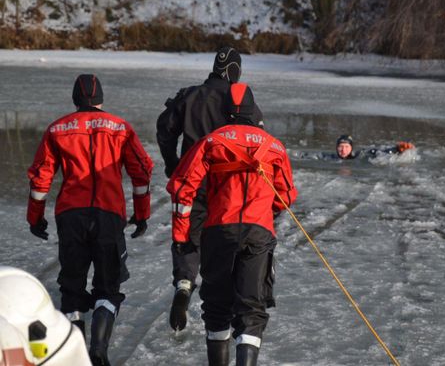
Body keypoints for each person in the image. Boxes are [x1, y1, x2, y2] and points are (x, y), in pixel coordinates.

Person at [26, 74, 153, 366]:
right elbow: (141, 173)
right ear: (100, 99)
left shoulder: (57, 129)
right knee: (108, 288)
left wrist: (36, 218)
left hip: (71, 216)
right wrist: (142, 213)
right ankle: (98, 350)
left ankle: (75, 355)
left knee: (71, 288)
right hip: (109, 214)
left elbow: (40, 178)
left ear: (75, 99)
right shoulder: (120, 128)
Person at [166, 83, 297, 366]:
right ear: (252, 110)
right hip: (258, 233)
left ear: (226, 111)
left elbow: (181, 187)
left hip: (218, 231)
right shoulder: (273, 145)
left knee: (217, 307)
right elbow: (286, 195)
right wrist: (265, 209)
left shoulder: (212, 141)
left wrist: (181, 234)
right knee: (251, 311)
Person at [156, 47, 264, 332]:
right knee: (223, 242)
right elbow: (259, 141)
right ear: (234, 71)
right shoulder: (242, 103)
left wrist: (173, 165)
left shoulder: (189, 95)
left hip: (192, 181)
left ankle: (184, 283)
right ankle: (225, 298)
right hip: (228, 189)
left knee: (188, 236)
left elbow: (164, 128)